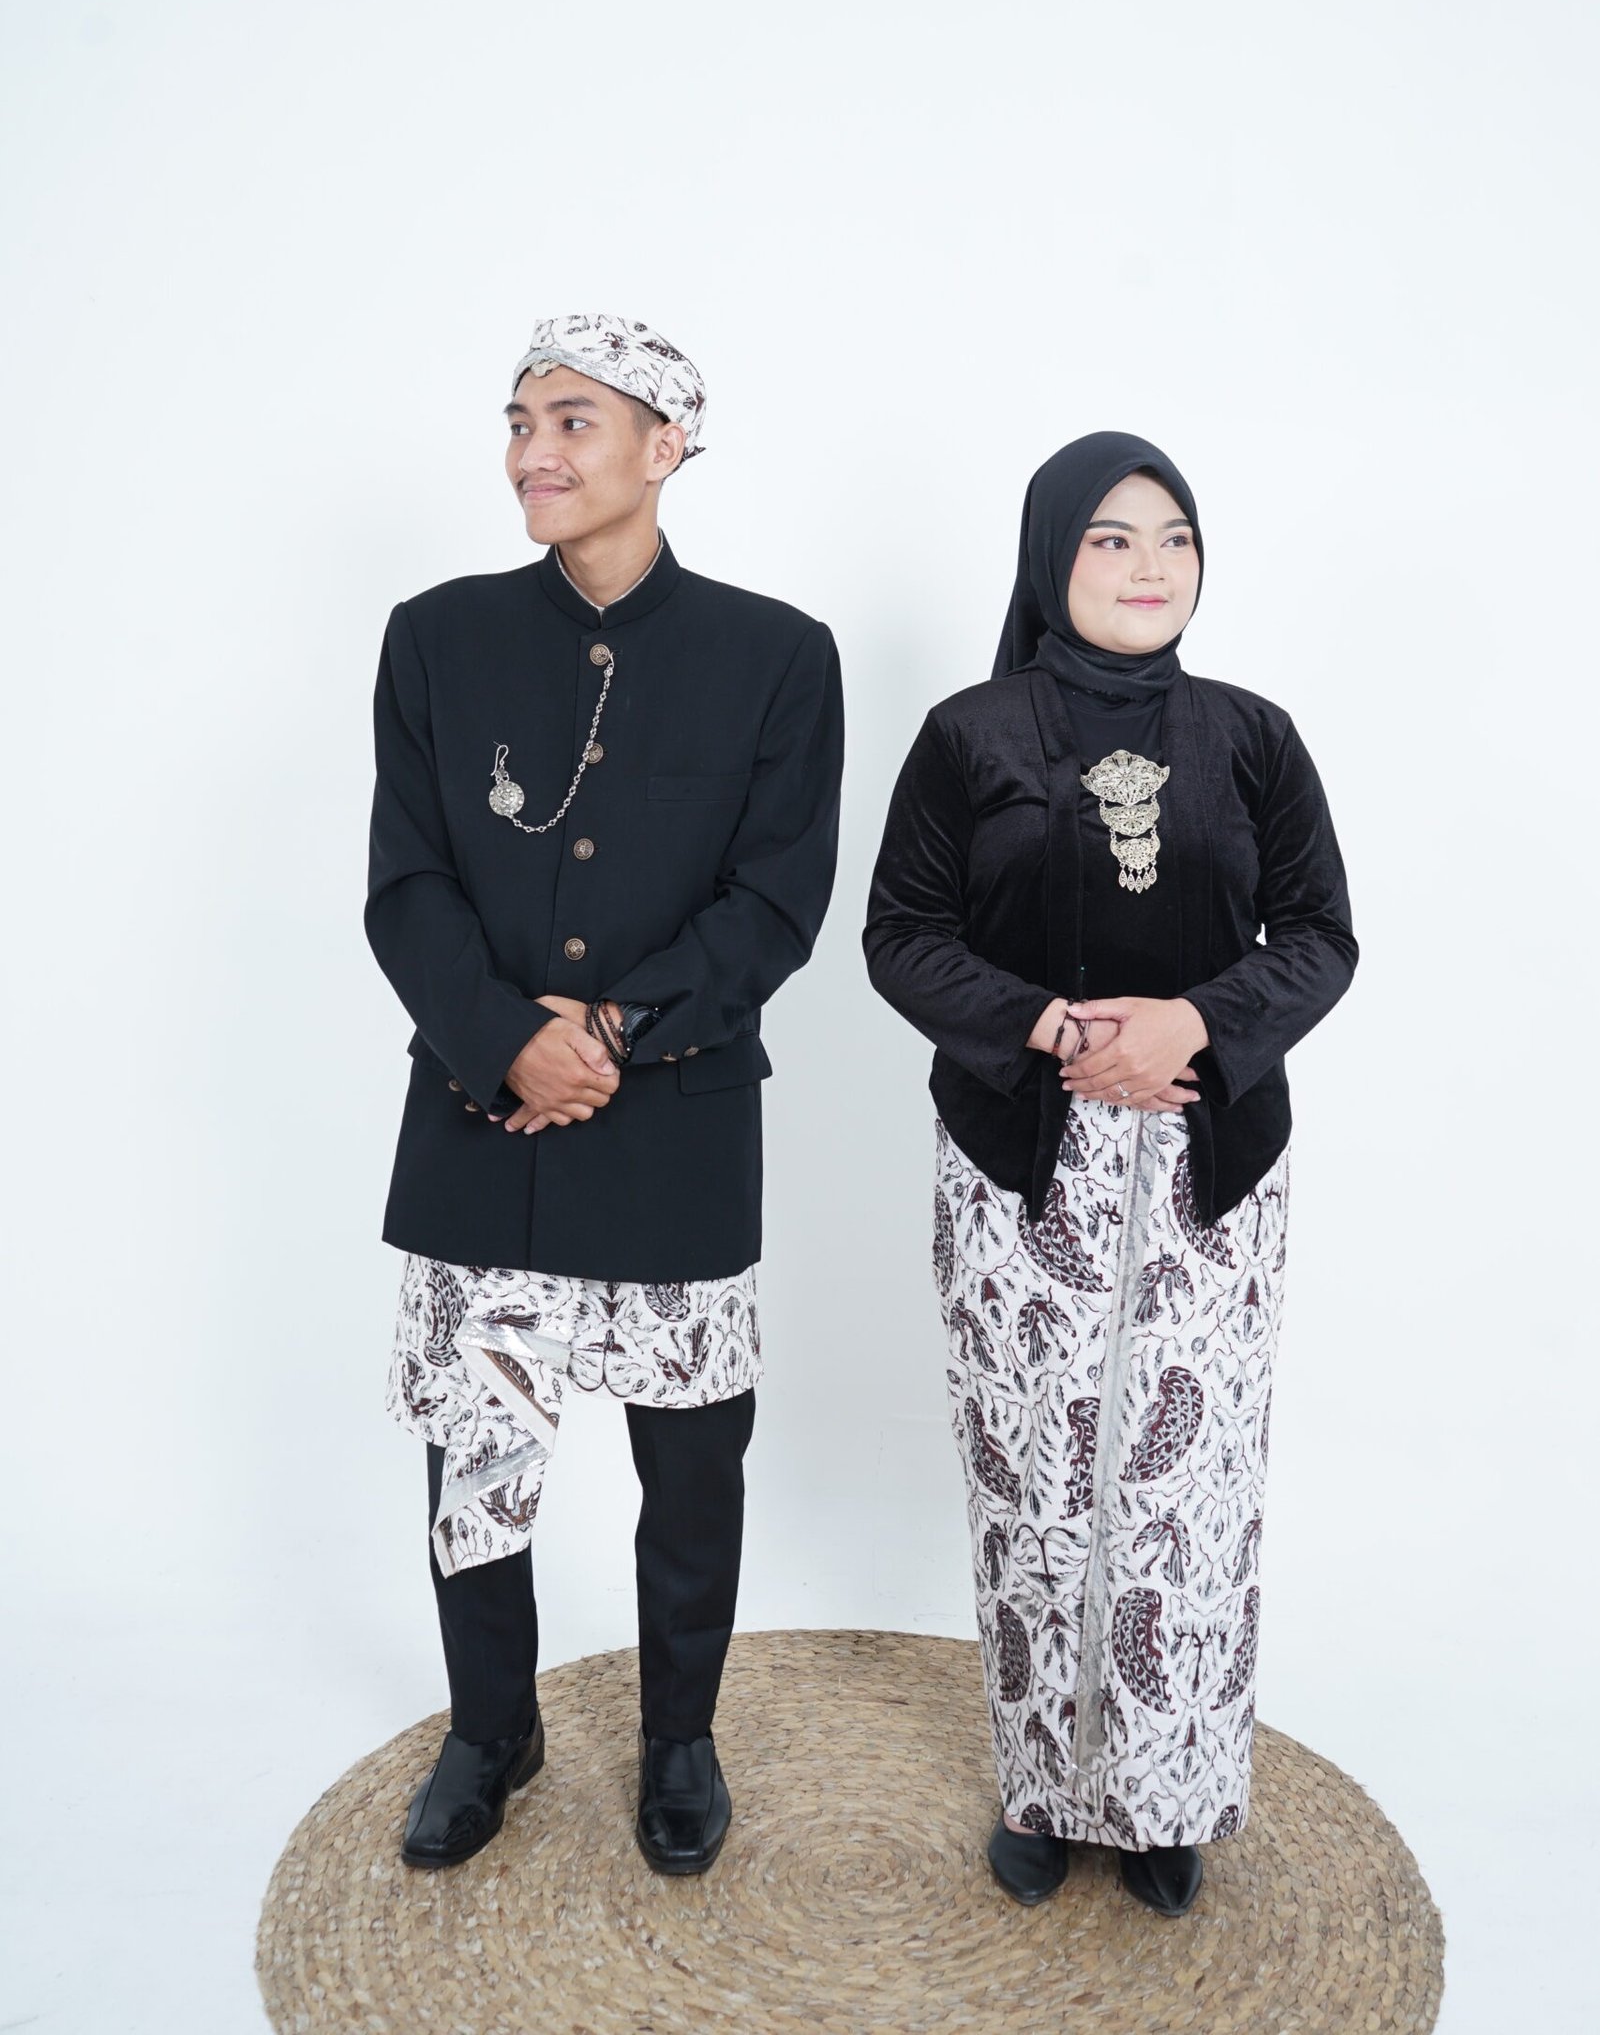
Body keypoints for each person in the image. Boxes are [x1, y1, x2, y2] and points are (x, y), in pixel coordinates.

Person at [366, 313, 843, 1877]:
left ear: (667, 443)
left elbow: (776, 905)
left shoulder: (779, 657)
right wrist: (506, 1036)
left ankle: (680, 1741)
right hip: (477, 1123)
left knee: (692, 1469)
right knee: (474, 1451)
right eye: (518, 422)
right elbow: (406, 885)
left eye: (572, 420)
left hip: (677, 1139)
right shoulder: (434, 638)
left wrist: (617, 1031)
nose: (532, 452)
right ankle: (489, 1729)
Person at [861, 432, 1355, 1918]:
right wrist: (1053, 1029)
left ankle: (1163, 1800)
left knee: (1185, 1490)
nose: (1151, 568)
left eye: (1175, 539)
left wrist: (1194, 1026)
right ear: (1049, 558)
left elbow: (1320, 935)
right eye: (1112, 539)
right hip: (1019, 1170)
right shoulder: (969, 736)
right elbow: (901, 937)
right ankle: (1042, 1789)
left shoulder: (1254, 737)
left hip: (1212, 1176)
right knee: (1036, 1477)